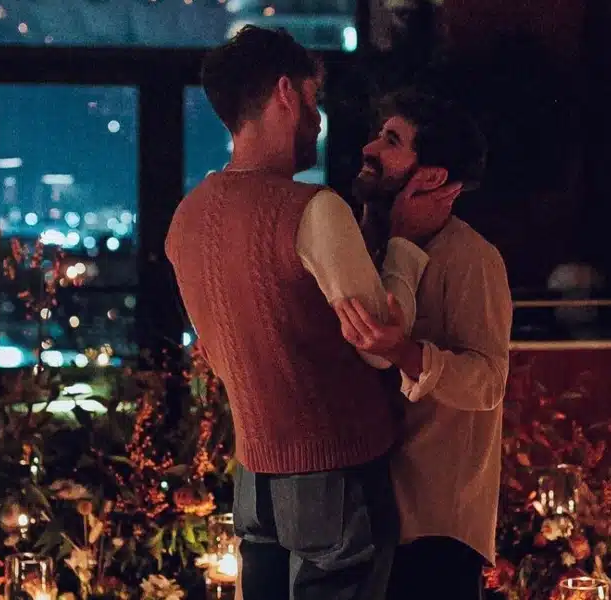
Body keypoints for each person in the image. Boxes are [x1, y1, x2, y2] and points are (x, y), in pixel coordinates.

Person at [165, 27, 459, 600]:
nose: (318, 119)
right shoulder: (313, 209)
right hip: (337, 474)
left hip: (254, 477)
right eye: (312, 97)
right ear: (285, 93)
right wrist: (402, 242)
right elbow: (380, 348)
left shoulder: (187, 218)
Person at [333, 89, 513, 600]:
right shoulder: (363, 244)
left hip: (432, 527)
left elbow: (487, 382)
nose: (369, 148)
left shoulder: (471, 259)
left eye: (392, 141)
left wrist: (403, 352)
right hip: (364, 517)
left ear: (431, 176)